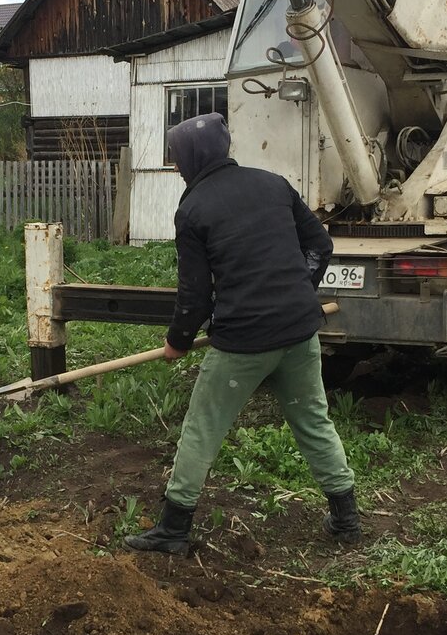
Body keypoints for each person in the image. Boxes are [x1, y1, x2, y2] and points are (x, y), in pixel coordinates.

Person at [125, 112, 361, 554]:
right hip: (299, 332)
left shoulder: (193, 209)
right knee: (313, 420)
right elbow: (320, 247)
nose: (176, 166)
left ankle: (174, 529)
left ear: (193, 158)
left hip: (243, 343)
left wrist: (177, 341)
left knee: (203, 427)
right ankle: (346, 518)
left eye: (176, 158)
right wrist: (295, 294)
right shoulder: (273, 184)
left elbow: (194, 294)